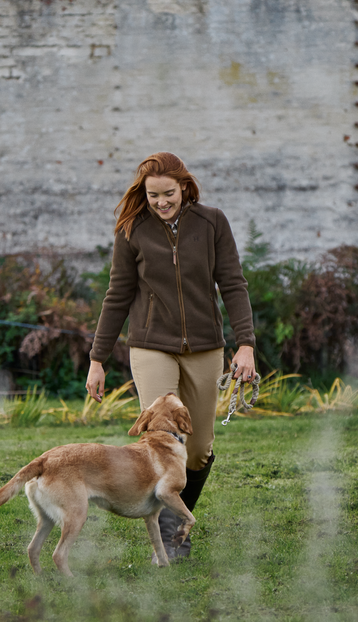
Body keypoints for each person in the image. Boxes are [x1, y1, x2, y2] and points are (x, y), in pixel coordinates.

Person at [85, 151, 256, 560]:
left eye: (168, 193)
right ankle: (173, 537)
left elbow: (232, 283)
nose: (161, 202)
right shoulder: (132, 229)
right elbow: (118, 294)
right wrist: (97, 357)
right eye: (152, 195)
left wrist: (246, 343)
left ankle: (178, 520)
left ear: (184, 187)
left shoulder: (212, 222)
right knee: (161, 441)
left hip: (205, 347)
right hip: (150, 346)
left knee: (197, 449)